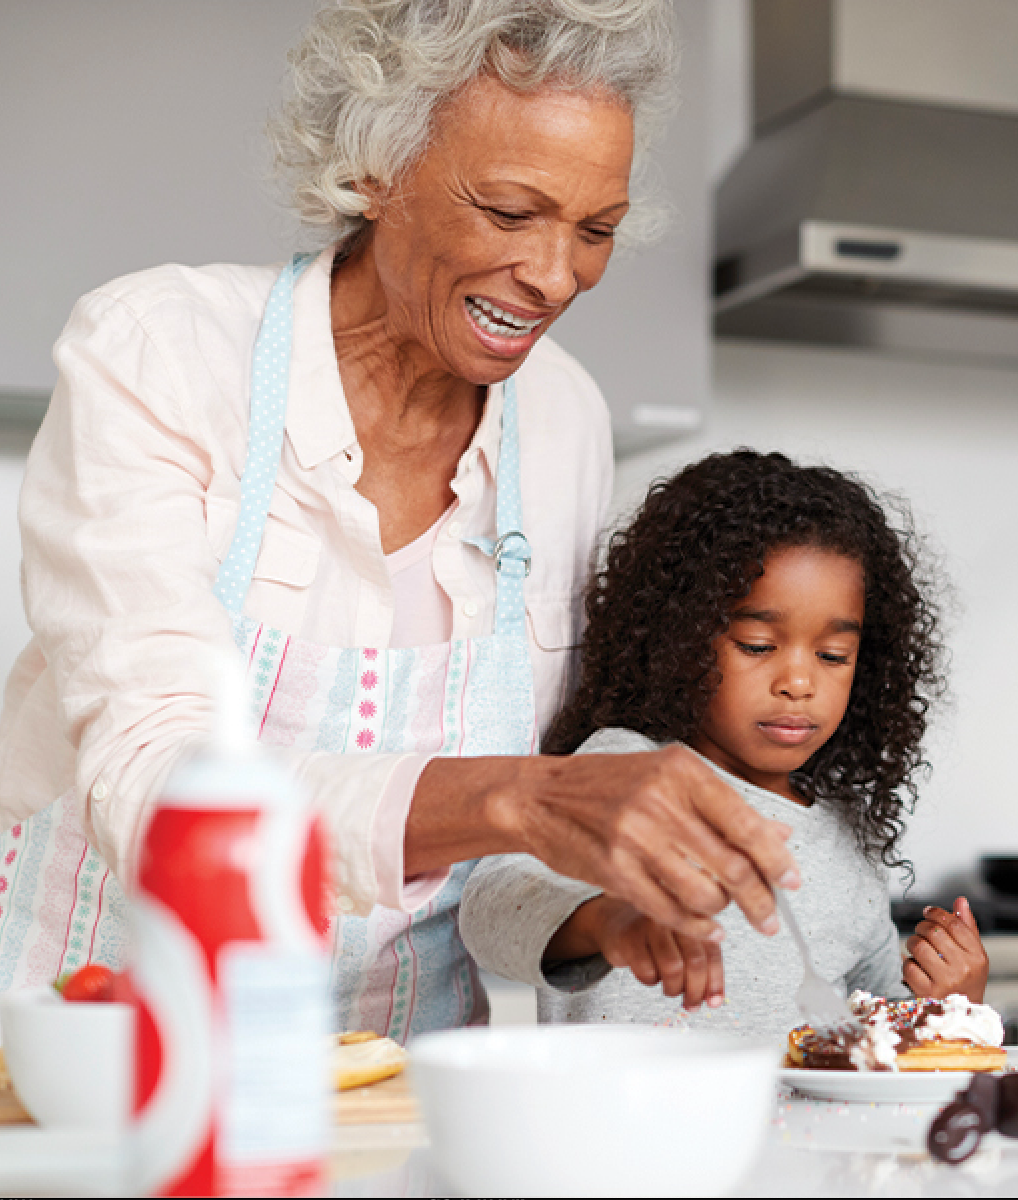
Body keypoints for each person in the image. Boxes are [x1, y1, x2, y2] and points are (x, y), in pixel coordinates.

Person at [0, 0, 798, 1040]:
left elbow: (503, 870)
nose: (557, 276)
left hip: (402, 1086)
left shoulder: (563, 421)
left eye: (594, 230)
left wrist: (593, 907)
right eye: (511, 212)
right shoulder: (161, 351)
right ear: (372, 171)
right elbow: (159, 787)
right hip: (105, 1056)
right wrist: (521, 797)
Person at [461, 451, 990, 1034]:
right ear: (679, 638)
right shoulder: (629, 772)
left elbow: (878, 1032)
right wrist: (608, 924)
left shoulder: (847, 847)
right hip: (621, 1124)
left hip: (795, 1129)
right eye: (759, 646)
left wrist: (950, 1005)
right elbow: (489, 909)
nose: (799, 682)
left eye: (833, 656)